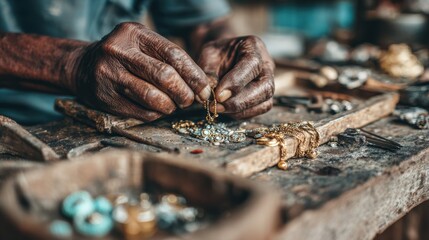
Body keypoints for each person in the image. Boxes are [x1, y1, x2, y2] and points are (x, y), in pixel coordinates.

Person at [0, 0, 275, 125]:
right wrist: (73, 64)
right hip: (14, 118)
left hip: (120, 114)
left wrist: (226, 52)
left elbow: (205, 23)